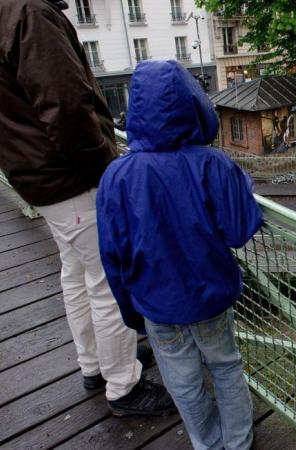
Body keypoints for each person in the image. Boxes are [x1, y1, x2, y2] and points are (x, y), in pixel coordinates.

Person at [0, 0, 174, 416]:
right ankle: (123, 385)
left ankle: (95, 363)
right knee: (107, 280)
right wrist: (105, 170)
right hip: (71, 175)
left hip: (36, 174)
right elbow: (65, 104)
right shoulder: (29, 12)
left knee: (76, 272)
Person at [96, 60, 263, 449]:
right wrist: (241, 182)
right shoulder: (213, 164)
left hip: (156, 303)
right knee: (225, 366)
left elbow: (112, 256)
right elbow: (239, 230)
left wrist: (130, 312)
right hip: (211, 297)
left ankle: (207, 443)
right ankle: (238, 442)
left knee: (183, 382)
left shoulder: (116, 177)